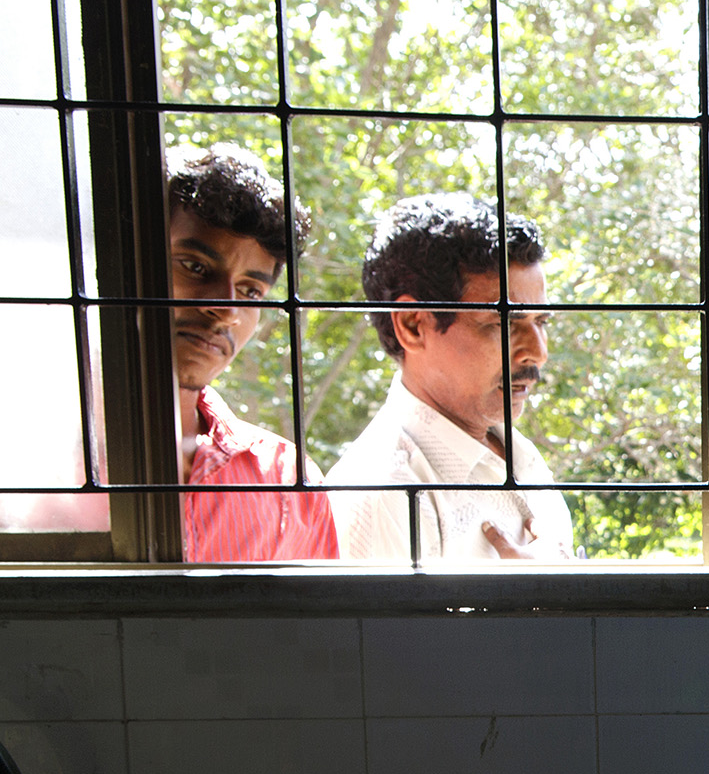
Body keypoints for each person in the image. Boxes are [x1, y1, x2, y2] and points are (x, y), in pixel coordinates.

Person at [328, 193, 570, 562]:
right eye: (504, 323)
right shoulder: (384, 495)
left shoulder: (518, 454)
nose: (537, 352)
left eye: (541, 322)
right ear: (413, 325)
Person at [165, 144, 337, 561]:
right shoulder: (38, 454)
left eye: (250, 291)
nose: (226, 310)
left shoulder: (288, 483)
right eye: (195, 267)